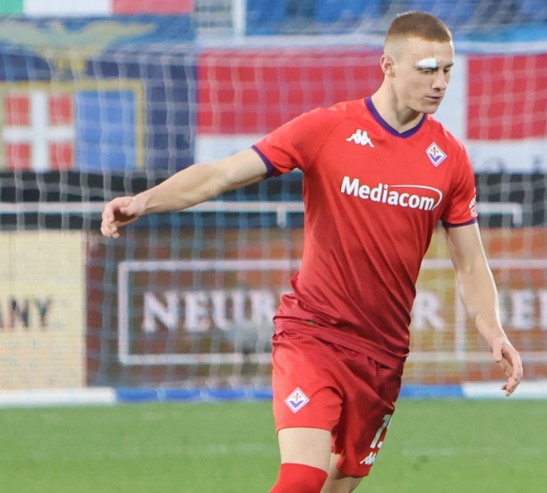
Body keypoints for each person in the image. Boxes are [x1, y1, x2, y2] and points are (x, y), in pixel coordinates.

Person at [100, 11, 523, 493]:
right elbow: (220, 174)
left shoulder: (450, 158)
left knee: (339, 483)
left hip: (383, 354)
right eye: (427, 69)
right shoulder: (328, 129)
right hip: (312, 333)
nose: (440, 82)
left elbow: (469, 261)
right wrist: (144, 202)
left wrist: (493, 331)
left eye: (448, 70)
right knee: (302, 477)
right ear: (388, 64)